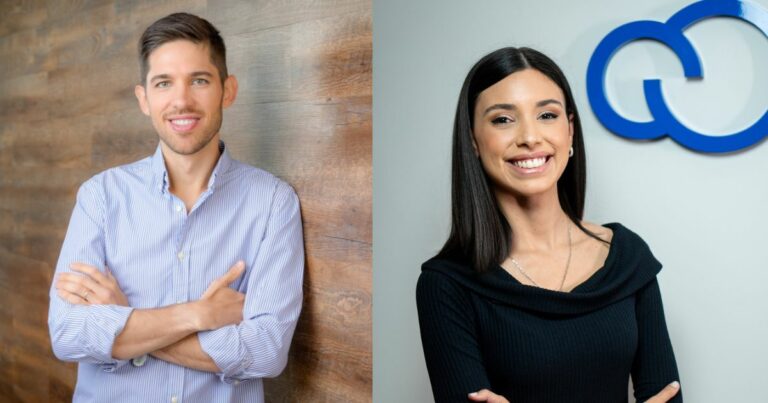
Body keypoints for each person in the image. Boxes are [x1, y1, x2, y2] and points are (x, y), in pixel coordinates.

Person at [48, 13, 304, 403]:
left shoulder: (272, 203)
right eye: (163, 83)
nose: (181, 100)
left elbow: (267, 352)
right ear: (144, 99)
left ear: (227, 91)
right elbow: (67, 334)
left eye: (199, 80)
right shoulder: (100, 197)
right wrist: (197, 315)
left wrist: (126, 320)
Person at [416, 47, 682, 403]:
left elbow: (668, 395)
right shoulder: (446, 284)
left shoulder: (627, 257)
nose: (530, 137)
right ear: (473, 141)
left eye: (546, 115)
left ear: (569, 130)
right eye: (503, 120)